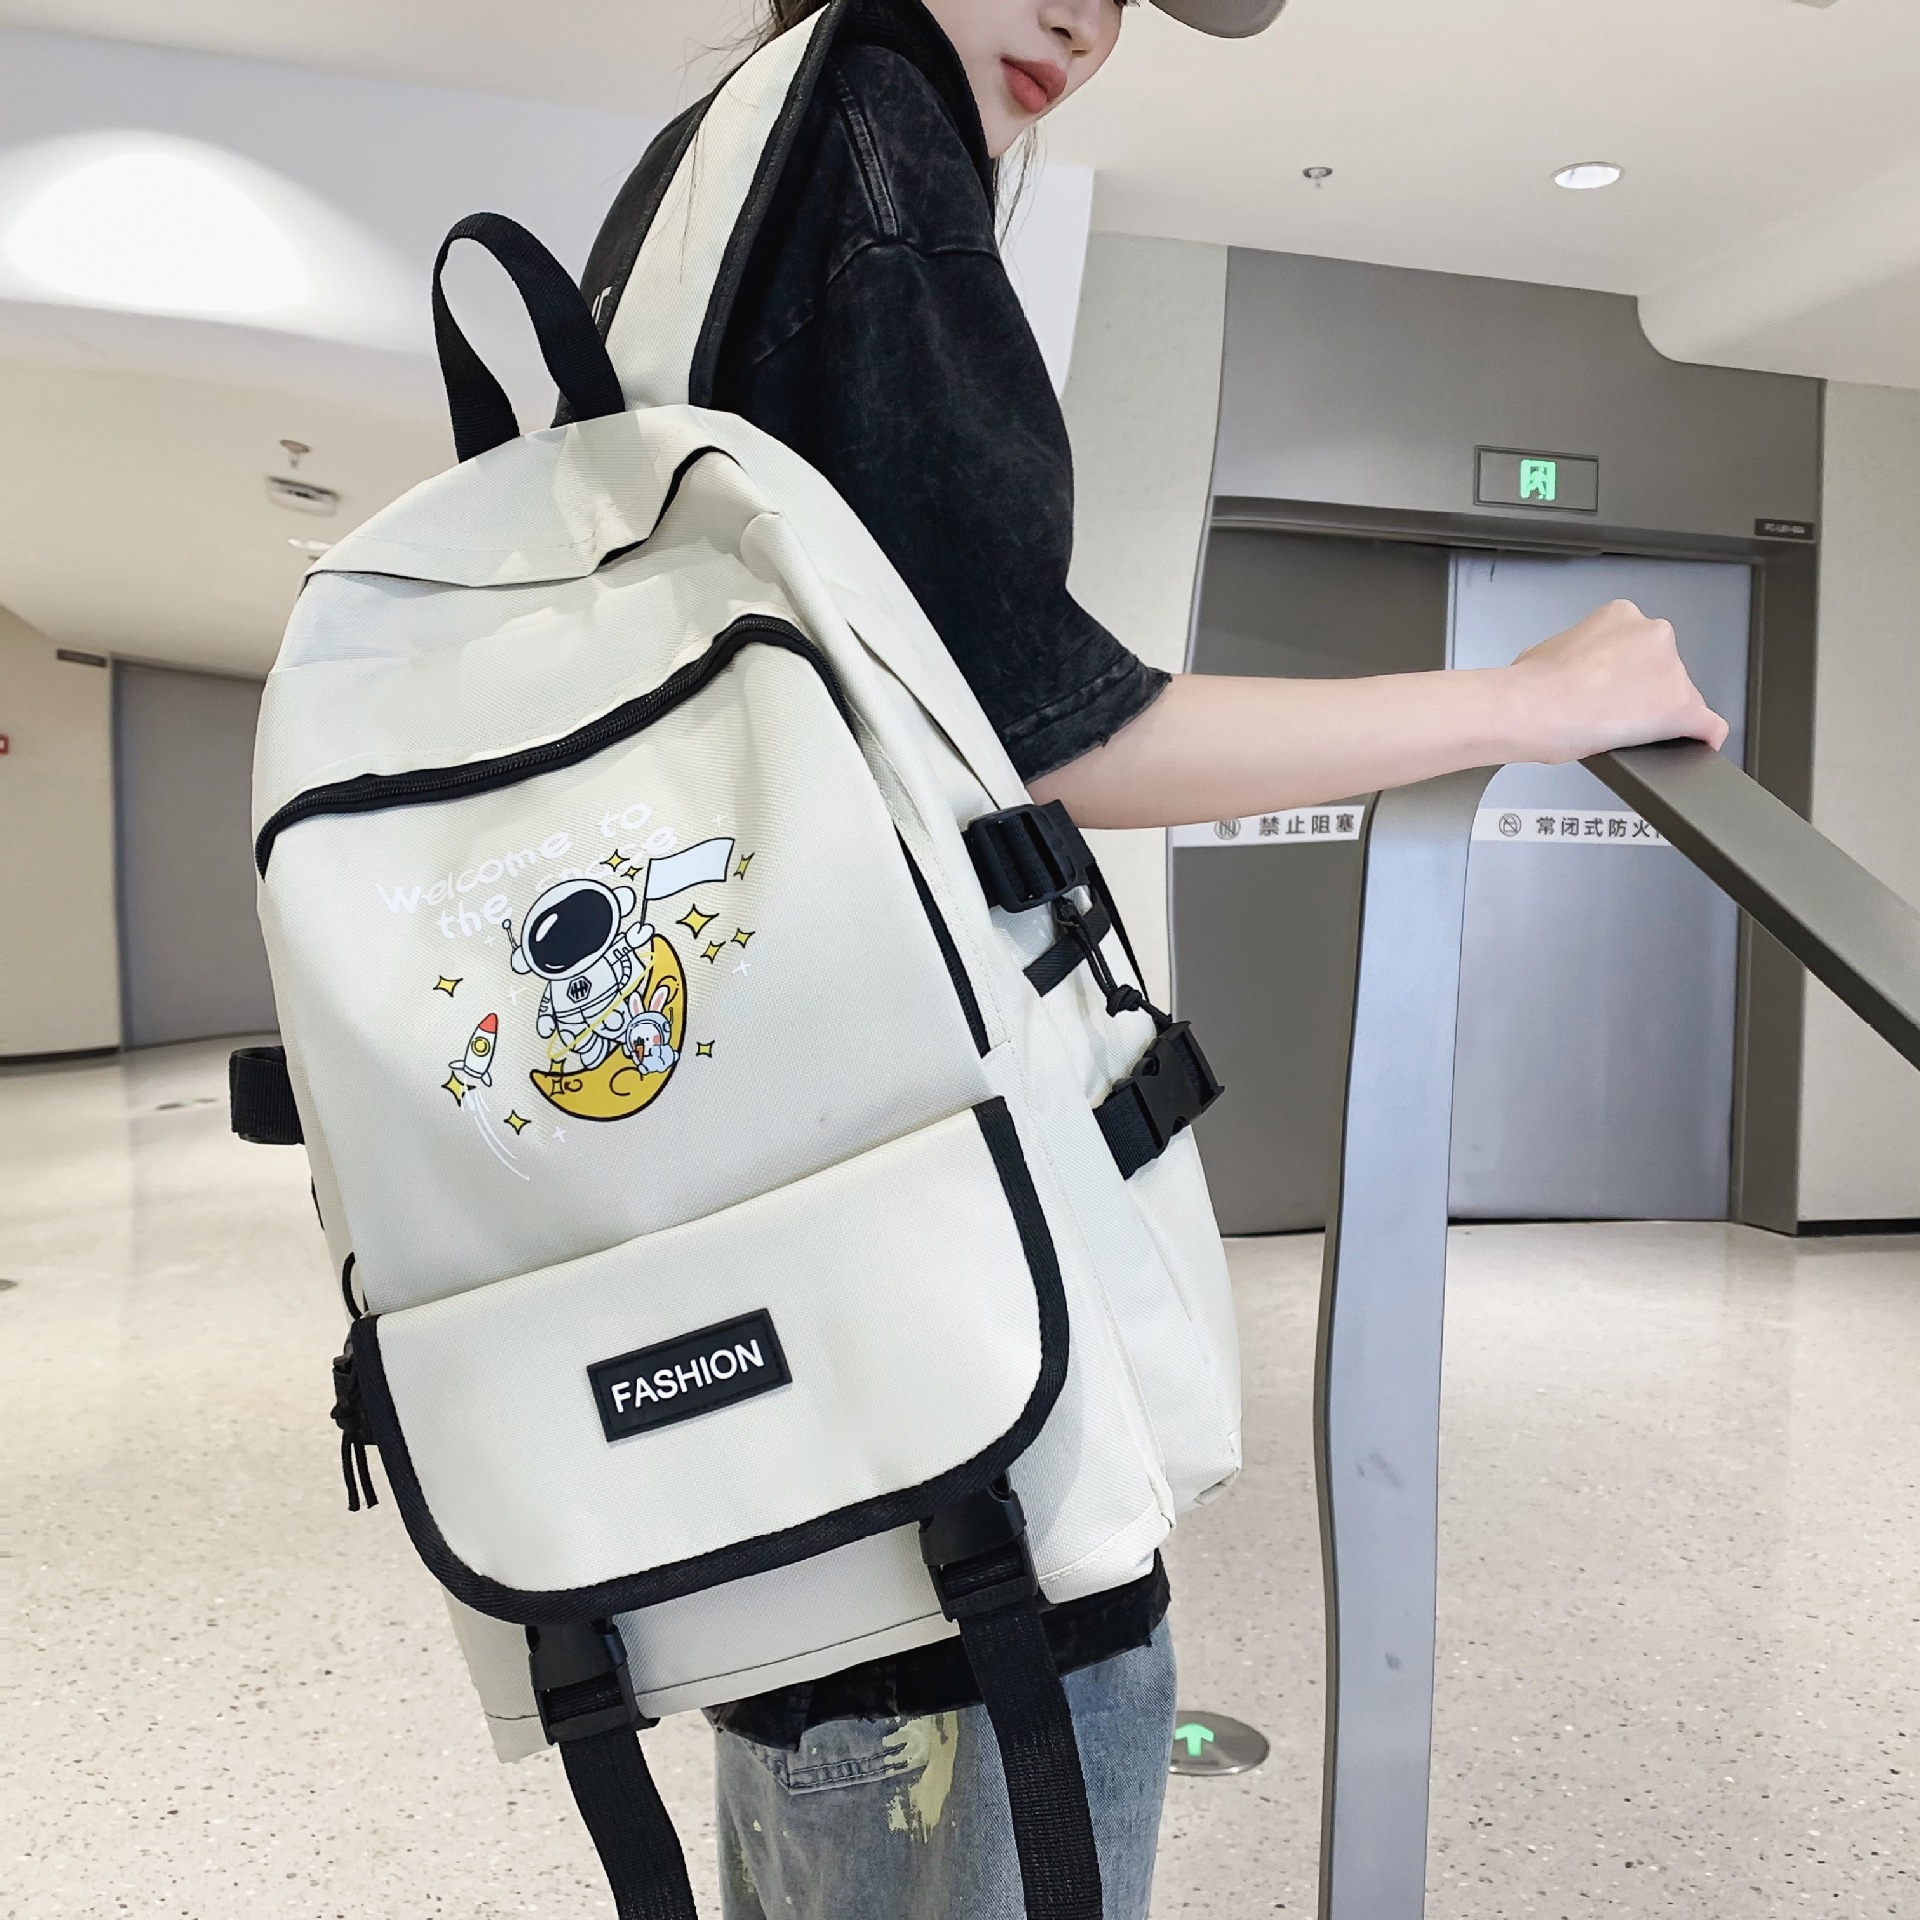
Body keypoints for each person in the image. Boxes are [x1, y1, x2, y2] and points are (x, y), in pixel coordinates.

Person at [579, 1, 1728, 1914]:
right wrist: (1522, 702)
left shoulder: (715, 175)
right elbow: (1047, 732)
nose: (1086, 17)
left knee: (831, 1721)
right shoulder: (869, 127)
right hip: (926, 1364)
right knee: (1012, 1671)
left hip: (801, 1297)